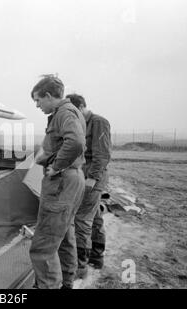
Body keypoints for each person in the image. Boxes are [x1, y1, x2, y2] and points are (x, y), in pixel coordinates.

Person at [29, 75, 86, 289]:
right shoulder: (69, 112)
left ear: (49, 95)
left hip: (62, 181)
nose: (37, 105)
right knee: (64, 236)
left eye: (38, 100)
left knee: (43, 245)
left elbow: (76, 142)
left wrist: (56, 166)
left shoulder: (64, 113)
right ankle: (66, 282)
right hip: (72, 179)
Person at [67, 94, 111, 277]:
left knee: (82, 219)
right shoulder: (80, 124)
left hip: (92, 178)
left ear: (81, 107)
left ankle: (80, 265)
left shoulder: (98, 122)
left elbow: (102, 154)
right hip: (84, 175)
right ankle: (96, 256)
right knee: (95, 216)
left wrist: (91, 179)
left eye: (73, 112)